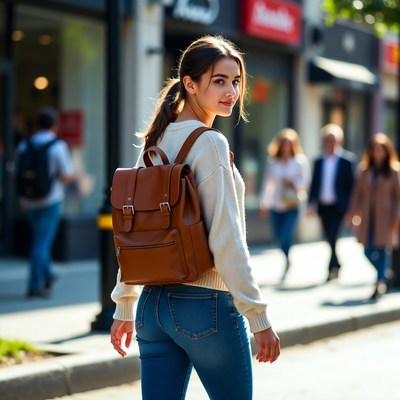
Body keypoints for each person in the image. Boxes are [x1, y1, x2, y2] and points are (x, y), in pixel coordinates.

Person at [110, 35, 280, 400]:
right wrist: (257, 317)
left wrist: (124, 305)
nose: (231, 91)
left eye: (235, 81)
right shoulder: (210, 143)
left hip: (152, 309)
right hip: (205, 305)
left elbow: (134, 232)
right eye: (219, 80)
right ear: (190, 84)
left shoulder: (154, 143)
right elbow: (226, 238)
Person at [15, 106, 74, 298]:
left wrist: (22, 198)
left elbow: (17, 174)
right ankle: (35, 285)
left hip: (29, 201)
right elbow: (66, 176)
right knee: (41, 243)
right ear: (55, 126)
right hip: (51, 200)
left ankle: (47, 274)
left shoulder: (25, 145)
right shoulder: (58, 146)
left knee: (39, 241)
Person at [346, 133, 400, 300]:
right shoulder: (364, 170)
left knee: (382, 250)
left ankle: (379, 283)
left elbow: (398, 197)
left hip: (385, 217)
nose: (378, 153)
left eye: (381, 150)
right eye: (375, 150)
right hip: (368, 217)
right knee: (367, 250)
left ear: (386, 151)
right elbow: (357, 194)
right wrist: (352, 211)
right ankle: (384, 274)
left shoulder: (393, 171)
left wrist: (396, 218)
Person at [259, 128, 310, 281]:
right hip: (276, 205)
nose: (286, 147)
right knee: (278, 235)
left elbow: (306, 182)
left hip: (292, 205)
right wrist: (264, 204)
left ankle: (287, 259)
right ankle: (287, 257)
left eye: (289, 144)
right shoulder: (273, 162)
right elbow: (267, 184)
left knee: (286, 233)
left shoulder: (300, 162)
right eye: (284, 144)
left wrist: (293, 182)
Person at [307, 123, 356, 282]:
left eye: (333, 139)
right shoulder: (318, 161)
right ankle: (337, 263)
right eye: (328, 139)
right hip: (323, 205)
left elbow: (352, 186)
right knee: (328, 236)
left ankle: (331, 268)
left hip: (339, 206)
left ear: (340, 141)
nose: (331, 142)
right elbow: (314, 184)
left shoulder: (347, 160)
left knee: (333, 235)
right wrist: (310, 204)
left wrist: (352, 209)